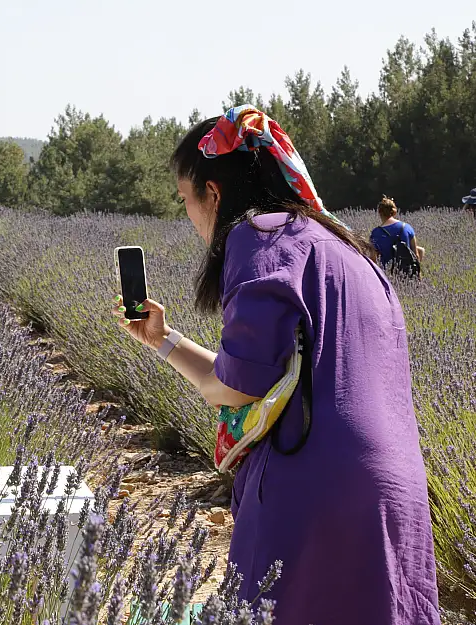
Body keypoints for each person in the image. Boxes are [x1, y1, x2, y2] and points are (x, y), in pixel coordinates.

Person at [112, 106, 440, 624]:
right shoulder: (345, 246)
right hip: (396, 496)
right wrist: (164, 339)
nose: (190, 217)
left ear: (213, 193)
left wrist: (166, 346)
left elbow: (237, 388)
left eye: (186, 201)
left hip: (313, 489)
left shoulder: (258, 237)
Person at [370, 195, 424, 275]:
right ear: (394, 212)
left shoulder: (375, 233)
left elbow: (373, 259)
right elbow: (416, 255)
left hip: (386, 275)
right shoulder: (407, 227)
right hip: (406, 272)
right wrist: (418, 277)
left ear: (379, 212)